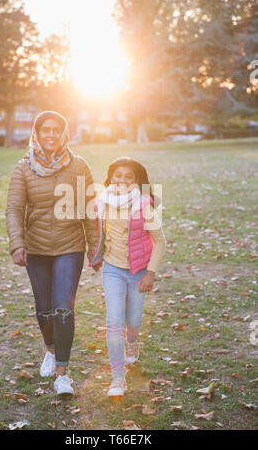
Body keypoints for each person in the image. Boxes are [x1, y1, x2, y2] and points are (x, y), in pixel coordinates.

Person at [6, 110, 99, 395]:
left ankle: (62, 373)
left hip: (70, 246)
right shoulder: (24, 168)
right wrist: (17, 242)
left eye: (55, 130)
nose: (50, 135)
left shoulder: (79, 165)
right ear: (37, 133)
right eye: (45, 130)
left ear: (63, 134)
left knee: (62, 308)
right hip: (36, 248)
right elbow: (14, 209)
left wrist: (96, 247)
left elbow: (90, 210)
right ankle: (49, 349)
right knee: (44, 309)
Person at [89, 157, 166, 397]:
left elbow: (160, 242)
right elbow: (97, 231)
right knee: (114, 321)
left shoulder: (144, 205)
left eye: (128, 177)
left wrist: (150, 273)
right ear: (111, 178)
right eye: (118, 175)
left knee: (132, 321)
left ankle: (132, 341)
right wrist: (96, 256)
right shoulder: (103, 201)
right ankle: (118, 378)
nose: (122, 180)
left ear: (137, 181)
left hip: (139, 271)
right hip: (112, 269)